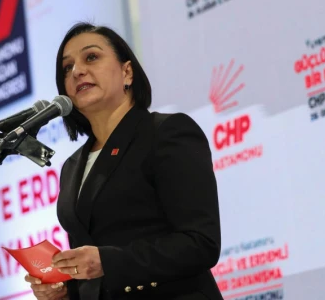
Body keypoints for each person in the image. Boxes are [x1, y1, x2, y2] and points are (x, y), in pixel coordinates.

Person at [25, 23, 223, 299]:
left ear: (127, 72)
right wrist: (66, 290)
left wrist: (107, 262)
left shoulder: (166, 133)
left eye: (91, 57)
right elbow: (95, 266)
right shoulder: (72, 166)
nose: (77, 71)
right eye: (67, 68)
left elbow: (201, 243)